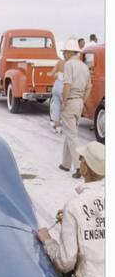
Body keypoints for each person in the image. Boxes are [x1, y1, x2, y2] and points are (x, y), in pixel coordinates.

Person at [37, 141, 105, 277]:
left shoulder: (74, 206)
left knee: (56, 255)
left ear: (85, 168)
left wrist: (47, 239)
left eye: (81, 159)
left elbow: (65, 262)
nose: (80, 162)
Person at [58, 37, 91, 178]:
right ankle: (66, 164)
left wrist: (64, 101)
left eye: (64, 52)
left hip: (70, 101)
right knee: (70, 132)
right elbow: (90, 86)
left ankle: (79, 167)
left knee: (71, 135)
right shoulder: (84, 66)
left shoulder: (69, 65)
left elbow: (67, 85)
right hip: (79, 102)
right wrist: (82, 100)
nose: (63, 55)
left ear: (70, 52)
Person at [48, 57, 65, 133]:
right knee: (65, 106)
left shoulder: (60, 62)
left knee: (56, 105)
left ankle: (57, 126)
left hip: (57, 85)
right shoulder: (72, 63)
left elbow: (51, 74)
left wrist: (56, 75)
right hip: (66, 86)